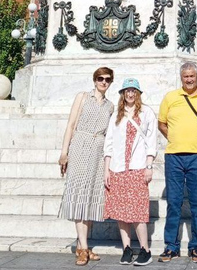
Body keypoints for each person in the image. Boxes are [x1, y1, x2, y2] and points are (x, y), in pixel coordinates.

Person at [157, 62, 197, 264]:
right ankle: (171, 246)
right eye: (186, 77)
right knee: (173, 203)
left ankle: (196, 247)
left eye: (192, 76)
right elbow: (161, 124)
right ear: (181, 77)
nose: (189, 80)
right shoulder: (171, 97)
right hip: (174, 156)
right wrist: (174, 138)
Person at [59, 67, 115, 266]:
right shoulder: (82, 97)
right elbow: (71, 124)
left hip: (98, 151)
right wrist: (64, 152)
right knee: (79, 195)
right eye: (100, 78)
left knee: (91, 197)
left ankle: (84, 244)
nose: (103, 82)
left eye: (107, 80)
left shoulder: (110, 106)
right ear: (94, 80)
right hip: (80, 147)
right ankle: (82, 248)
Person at [103, 78, 158, 267]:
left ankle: (145, 250)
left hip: (137, 167)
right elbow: (108, 143)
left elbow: (151, 141)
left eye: (134, 91)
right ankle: (127, 248)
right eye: (127, 91)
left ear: (138, 93)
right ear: (123, 94)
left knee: (137, 211)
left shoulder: (146, 113)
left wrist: (149, 167)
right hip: (118, 167)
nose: (130, 94)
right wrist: (106, 170)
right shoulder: (116, 115)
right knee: (121, 211)